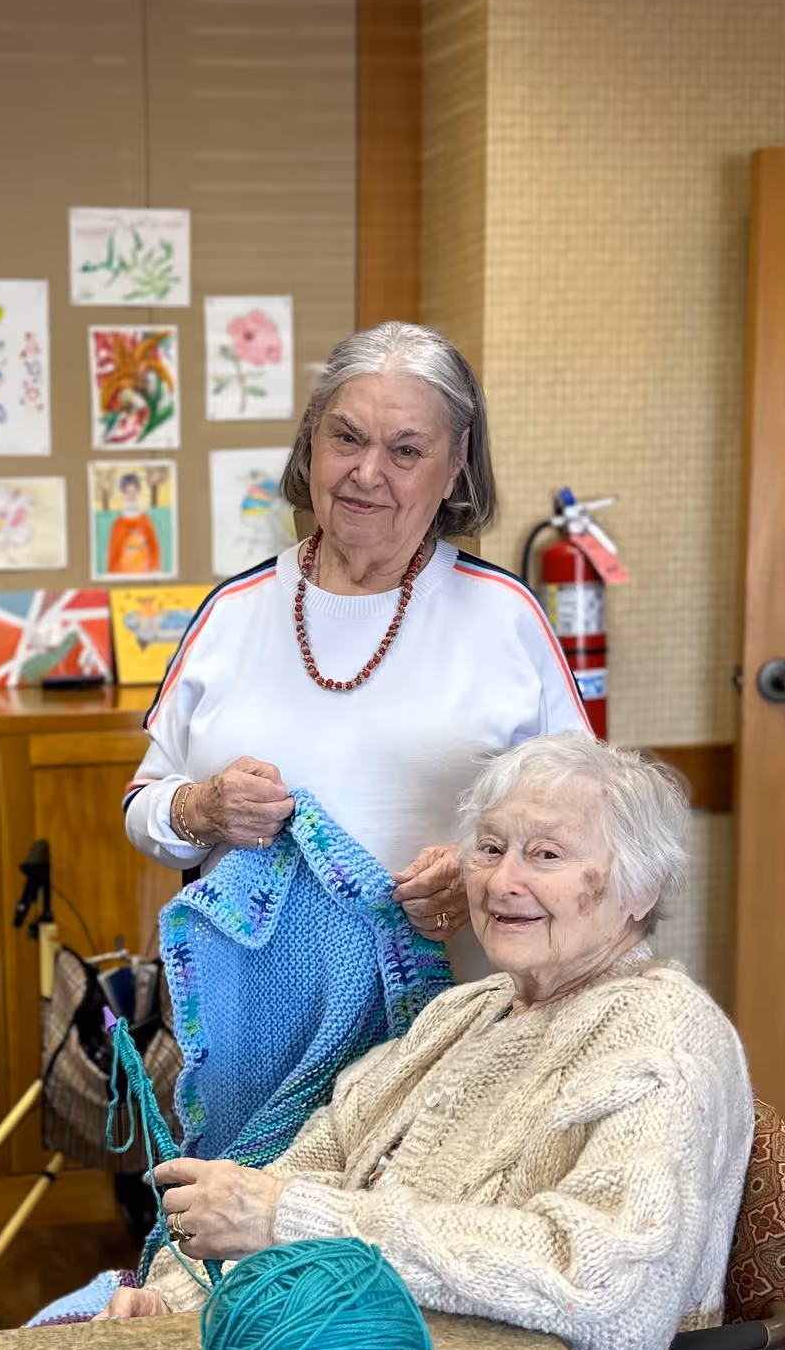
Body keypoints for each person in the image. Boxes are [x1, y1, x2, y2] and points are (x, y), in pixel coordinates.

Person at [105, 735, 753, 1350]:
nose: (504, 880)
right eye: (490, 847)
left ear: (641, 887)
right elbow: (301, 1170)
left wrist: (290, 1219)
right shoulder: (465, 1013)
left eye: (546, 855)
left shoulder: (664, 1044)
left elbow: (602, 1290)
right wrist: (178, 1305)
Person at [122, 321, 588, 961]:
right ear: (312, 442)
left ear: (455, 465)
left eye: (406, 450)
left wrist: (482, 875)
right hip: (254, 1034)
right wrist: (202, 809)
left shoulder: (507, 616)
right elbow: (144, 807)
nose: (367, 472)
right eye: (346, 437)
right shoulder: (232, 611)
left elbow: (586, 827)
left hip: (452, 1034)